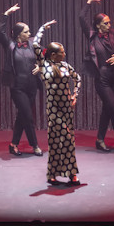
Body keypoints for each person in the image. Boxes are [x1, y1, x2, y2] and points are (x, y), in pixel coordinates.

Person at [80, 0, 114, 152]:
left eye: (109, 22)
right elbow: (81, 17)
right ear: (97, 26)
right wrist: (89, 3)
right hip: (101, 79)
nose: (109, 25)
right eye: (106, 23)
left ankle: (99, 139)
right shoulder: (91, 35)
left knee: (108, 109)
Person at [33, 22, 82, 186]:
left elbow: (78, 79)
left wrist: (75, 95)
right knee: (62, 139)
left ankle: (56, 174)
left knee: (62, 140)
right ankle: (68, 174)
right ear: (53, 55)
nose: (65, 53)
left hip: (67, 108)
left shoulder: (66, 65)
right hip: (53, 109)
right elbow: (35, 44)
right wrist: (42, 29)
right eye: (61, 52)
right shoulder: (44, 65)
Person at [0, 4, 43, 157]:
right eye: (26, 31)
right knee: (28, 116)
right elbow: (0, 32)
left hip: (32, 86)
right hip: (17, 87)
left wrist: (40, 67)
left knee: (22, 116)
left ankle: (13, 144)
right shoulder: (10, 45)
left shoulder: (32, 45)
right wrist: (6, 14)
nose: (29, 33)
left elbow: (46, 56)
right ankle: (35, 145)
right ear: (18, 34)